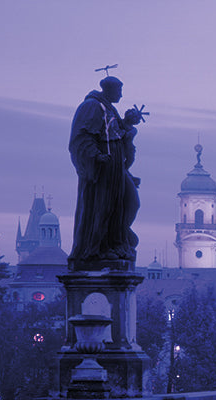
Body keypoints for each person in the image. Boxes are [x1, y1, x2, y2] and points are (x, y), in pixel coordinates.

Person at [68, 76, 144, 269]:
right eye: (119, 91)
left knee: (129, 204)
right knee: (103, 207)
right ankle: (99, 248)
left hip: (116, 168)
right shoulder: (92, 106)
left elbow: (118, 134)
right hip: (103, 169)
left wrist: (128, 122)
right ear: (108, 89)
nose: (121, 95)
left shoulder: (109, 108)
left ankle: (117, 242)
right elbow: (82, 137)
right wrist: (96, 156)